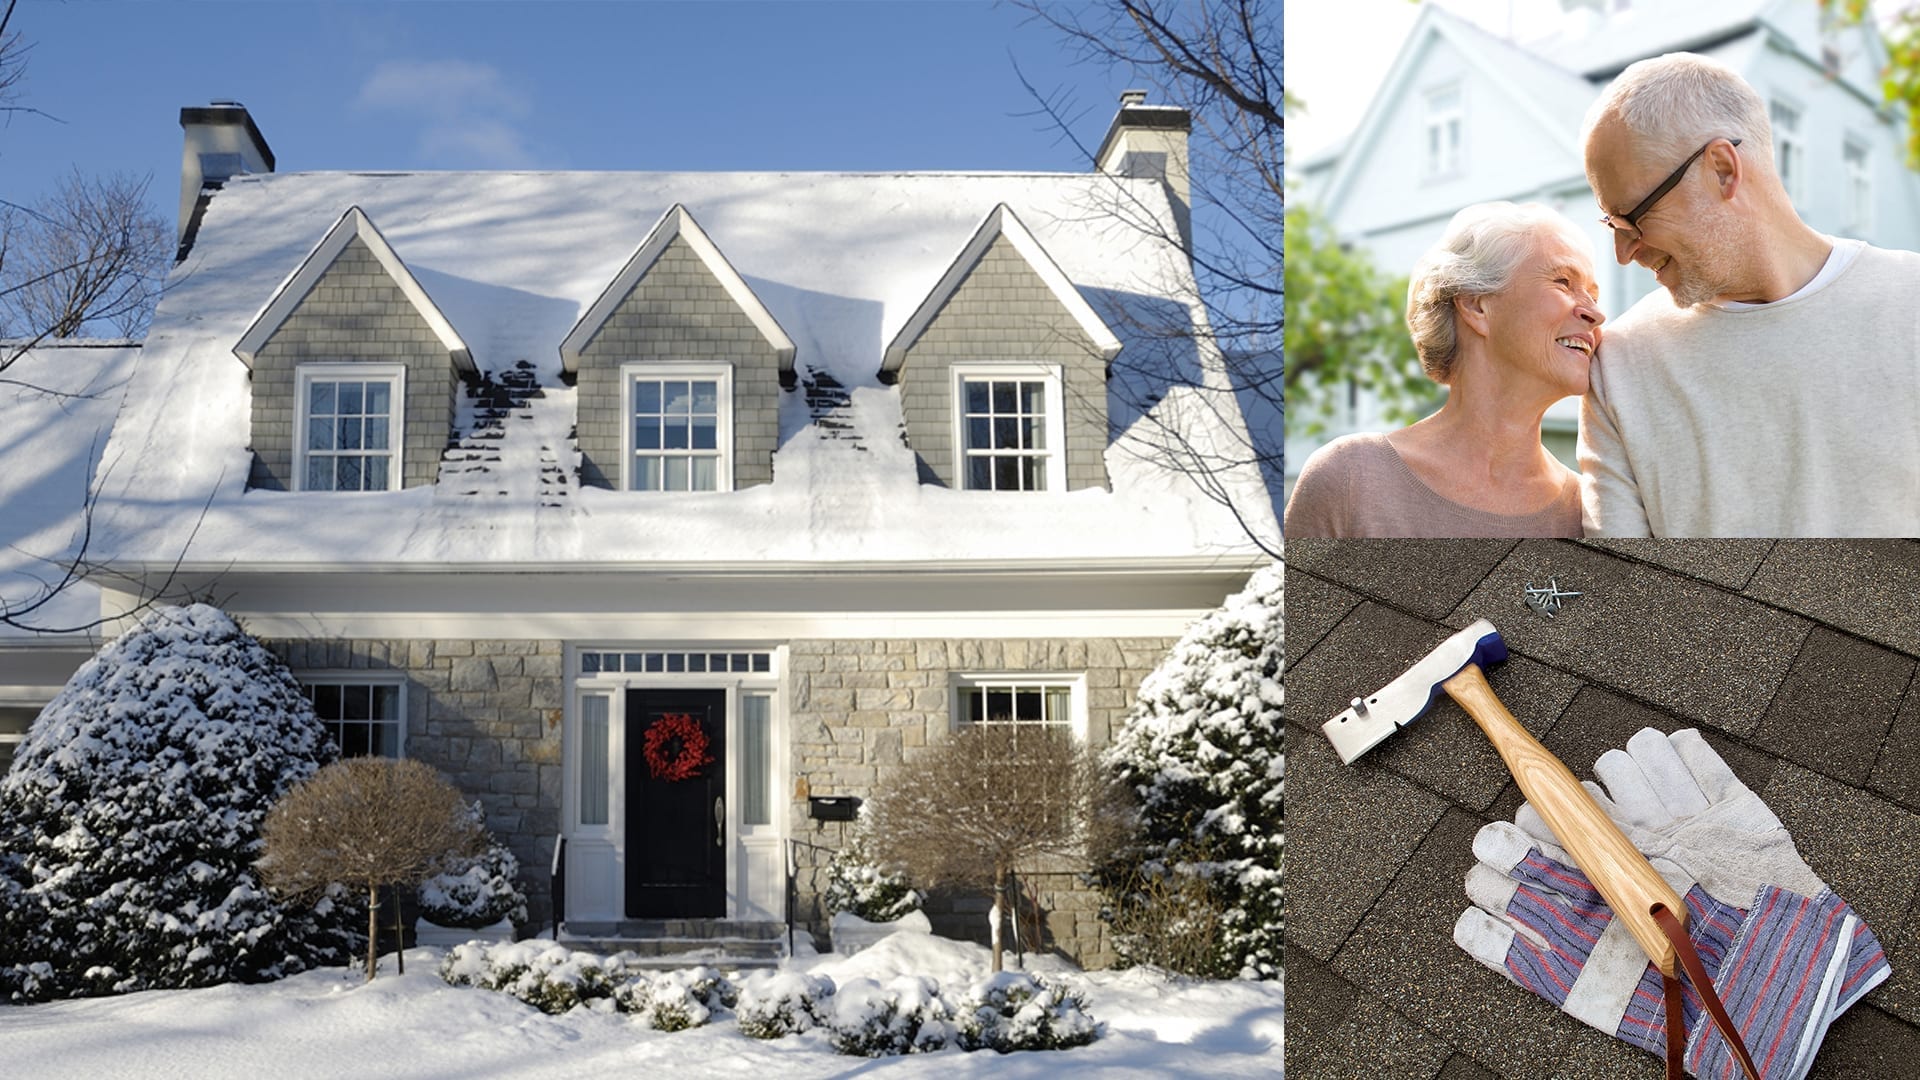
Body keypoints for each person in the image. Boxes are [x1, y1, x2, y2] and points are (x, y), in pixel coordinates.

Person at [1579, 52, 1920, 536]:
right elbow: (1619, 587)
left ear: (1722, 169)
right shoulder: (1619, 367)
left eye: (1632, 217)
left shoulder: (1911, 308)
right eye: (1610, 224)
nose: (1623, 251)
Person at [1284, 202, 1601, 538]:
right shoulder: (1350, 479)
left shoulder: (1587, 512)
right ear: (1476, 305)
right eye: (1564, 282)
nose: (1596, 314)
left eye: (1594, 295)